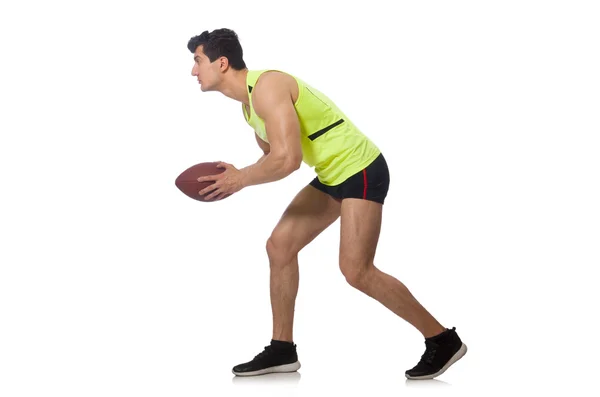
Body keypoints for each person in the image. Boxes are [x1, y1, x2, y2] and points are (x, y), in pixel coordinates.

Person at [187, 28, 467, 380]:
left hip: (360, 167)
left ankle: (442, 340)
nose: (194, 71)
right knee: (280, 246)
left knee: (356, 271)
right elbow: (276, 156)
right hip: (332, 174)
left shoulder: (268, 87)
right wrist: (238, 173)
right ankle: (282, 349)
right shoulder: (248, 107)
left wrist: (240, 178)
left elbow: (288, 160)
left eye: (197, 61)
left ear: (221, 62)